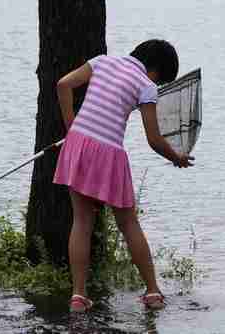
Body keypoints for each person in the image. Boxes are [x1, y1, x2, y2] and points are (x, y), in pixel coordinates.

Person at [53, 39, 194, 312]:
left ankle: (78, 297)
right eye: (161, 79)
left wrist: (72, 128)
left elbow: (63, 85)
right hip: (110, 153)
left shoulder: (102, 61)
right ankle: (152, 292)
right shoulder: (146, 86)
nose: (158, 84)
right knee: (129, 223)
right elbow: (154, 139)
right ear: (156, 71)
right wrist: (176, 158)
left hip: (78, 145)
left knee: (81, 222)